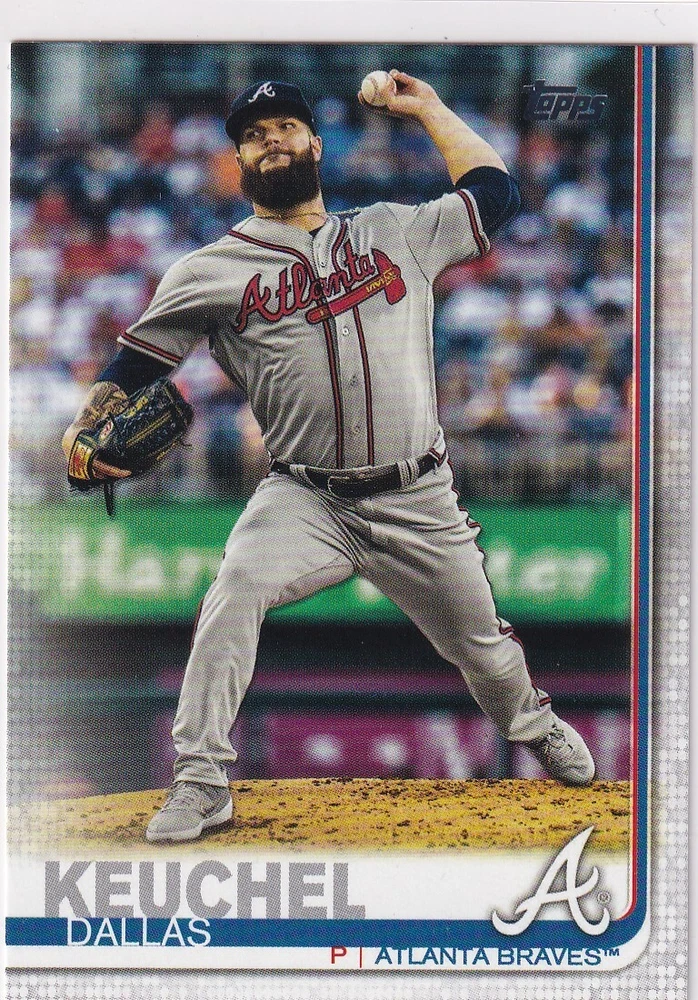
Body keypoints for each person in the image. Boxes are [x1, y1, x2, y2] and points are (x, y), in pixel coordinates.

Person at [62, 73, 595, 843]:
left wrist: (428, 108)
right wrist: (83, 427)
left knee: (482, 647)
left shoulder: (395, 229)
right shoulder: (208, 270)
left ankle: (533, 725)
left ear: (315, 142)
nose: (271, 140)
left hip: (417, 494)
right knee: (233, 591)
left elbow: (494, 192)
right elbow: (133, 366)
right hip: (304, 497)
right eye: (254, 135)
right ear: (238, 161)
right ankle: (201, 780)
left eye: (284, 126)